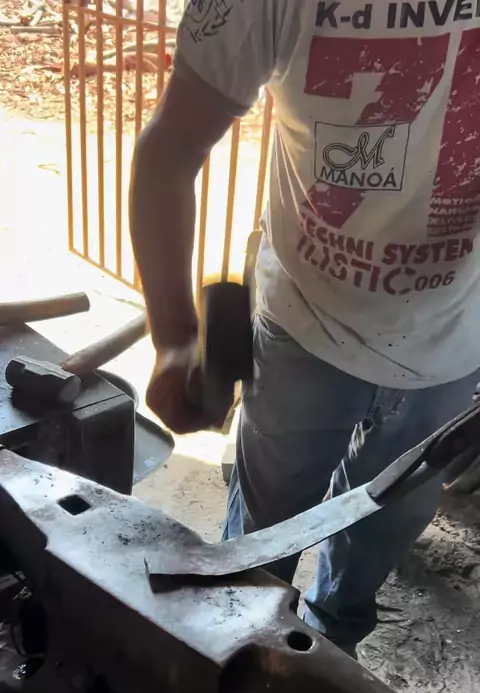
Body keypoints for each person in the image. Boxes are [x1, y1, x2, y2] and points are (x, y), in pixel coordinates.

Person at [129, 0, 480, 656]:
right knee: (262, 540)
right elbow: (170, 152)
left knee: (379, 533)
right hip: (304, 326)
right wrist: (173, 339)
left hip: (456, 341)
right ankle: (239, 648)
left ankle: (328, 656)